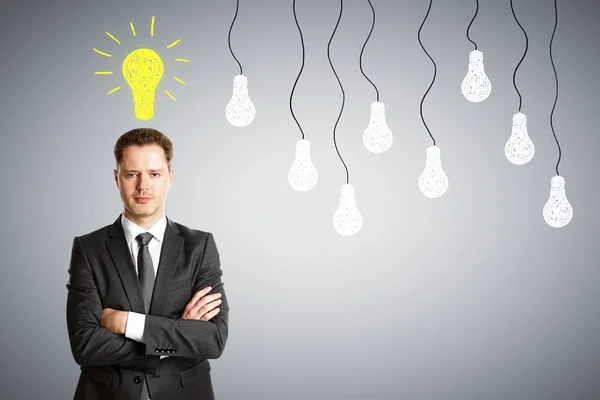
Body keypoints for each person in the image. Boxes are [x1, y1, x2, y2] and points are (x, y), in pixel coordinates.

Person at [66, 128, 229, 400]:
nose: (143, 186)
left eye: (154, 174)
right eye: (132, 174)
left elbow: (213, 339)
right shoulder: (88, 249)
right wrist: (176, 333)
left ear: (170, 178)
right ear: (117, 178)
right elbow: (85, 344)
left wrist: (128, 323)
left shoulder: (200, 247)